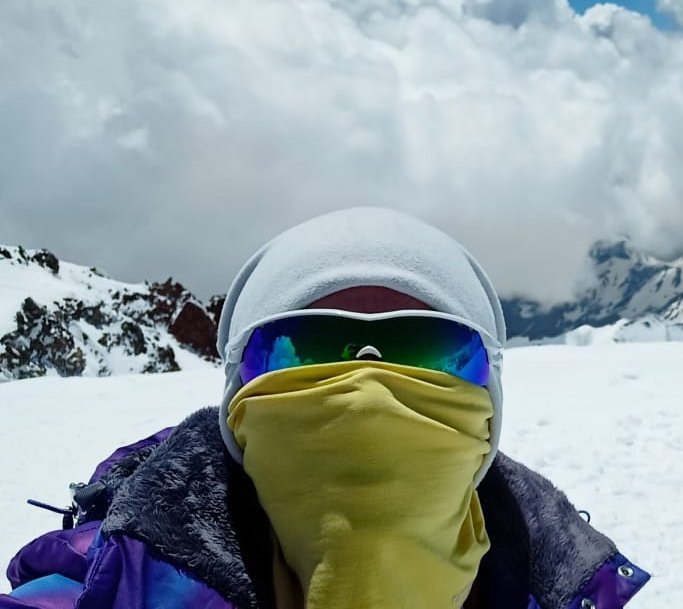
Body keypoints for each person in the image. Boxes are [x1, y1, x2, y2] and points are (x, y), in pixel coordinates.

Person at [1, 207, 649, 608]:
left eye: (427, 347)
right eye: (306, 348)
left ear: (492, 401)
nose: (366, 386)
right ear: (236, 399)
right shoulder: (110, 588)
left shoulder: (556, 585)